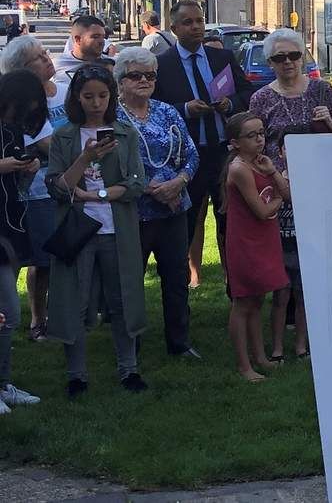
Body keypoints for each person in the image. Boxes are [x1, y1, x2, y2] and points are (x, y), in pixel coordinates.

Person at [249, 27, 332, 361]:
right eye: (280, 58)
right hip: (279, 191)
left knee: (316, 267)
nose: (288, 62)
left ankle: (312, 338)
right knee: (284, 272)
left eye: (294, 55)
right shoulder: (261, 99)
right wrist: (272, 173)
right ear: (270, 62)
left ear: (303, 57)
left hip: (321, 189)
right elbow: (253, 144)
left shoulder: (322, 90)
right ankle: (280, 340)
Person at [45, 66, 149, 398]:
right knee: (74, 301)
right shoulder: (64, 136)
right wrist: (86, 157)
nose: (96, 103)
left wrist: (99, 195)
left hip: (116, 228)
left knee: (122, 299)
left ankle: (129, 369)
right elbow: (58, 187)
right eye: (88, 96)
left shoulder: (124, 133)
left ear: (111, 97)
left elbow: (136, 184)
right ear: (77, 97)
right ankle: (77, 375)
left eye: (102, 96)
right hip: (77, 230)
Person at [152, 0, 253, 287]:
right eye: (188, 22)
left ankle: (235, 284)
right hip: (187, 157)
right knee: (186, 223)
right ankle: (181, 283)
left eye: (199, 21)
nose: (196, 27)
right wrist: (185, 109)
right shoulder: (163, 65)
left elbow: (247, 93)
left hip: (223, 153)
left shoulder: (222, 57)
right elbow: (155, 109)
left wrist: (230, 103)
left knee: (230, 220)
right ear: (174, 28)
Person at [114, 48, 201, 358]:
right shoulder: (112, 117)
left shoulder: (167, 111)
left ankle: (179, 343)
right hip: (134, 212)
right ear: (120, 81)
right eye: (136, 75)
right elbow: (110, 164)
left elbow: (191, 153)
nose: (144, 81)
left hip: (174, 207)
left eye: (150, 75)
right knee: (131, 281)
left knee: (176, 278)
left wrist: (179, 182)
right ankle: (130, 347)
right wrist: (149, 188)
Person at [0, 36, 69, 341]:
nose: (47, 59)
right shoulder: (17, 109)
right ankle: (32, 319)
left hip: (34, 196)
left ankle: (39, 319)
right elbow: (48, 145)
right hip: (29, 198)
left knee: (43, 260)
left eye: (46, 53)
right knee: (25, 260)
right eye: (39, 57)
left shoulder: (60, 91)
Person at [221, 112, 289, 382]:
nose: (260, 139)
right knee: (243, 302)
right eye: (251, 136)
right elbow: (262, 210)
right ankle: (244, 365)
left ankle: (260, 357)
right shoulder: (239, 168)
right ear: (235, 143)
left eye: (262, 133)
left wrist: (272, 172)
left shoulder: (262, 163)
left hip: (265, 238)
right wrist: (279, 202)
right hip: (245, 241)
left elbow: (288, 193)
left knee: (258, 299)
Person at [0, 69, 48, 414]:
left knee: (7, 313)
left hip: (9, 229)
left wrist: (26, 172)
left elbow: (16, 190)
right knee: (7, 311)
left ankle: (4, 383)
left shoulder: (14, 131)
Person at [53, 15, 112, 84]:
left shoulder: (111, 66)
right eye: (95, 37)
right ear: (78, 39)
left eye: (103, 37)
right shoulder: (56, 66)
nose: (102, 41)